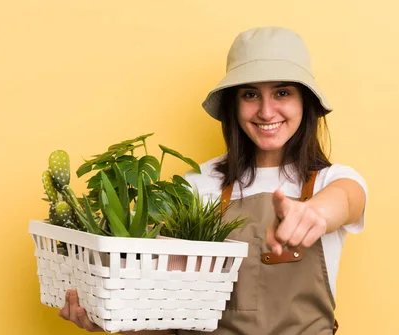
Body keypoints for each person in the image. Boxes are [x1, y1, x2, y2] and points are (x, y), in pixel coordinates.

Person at [59, 26, 367, 335]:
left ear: (305, 102)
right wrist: (109, 320)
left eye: (282, 93)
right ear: (234, 104)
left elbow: (347, 200)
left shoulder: (333, 181)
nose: (266, 110)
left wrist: (315, 214)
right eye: (250, 94)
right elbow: (166, 318)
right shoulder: (195, 185)